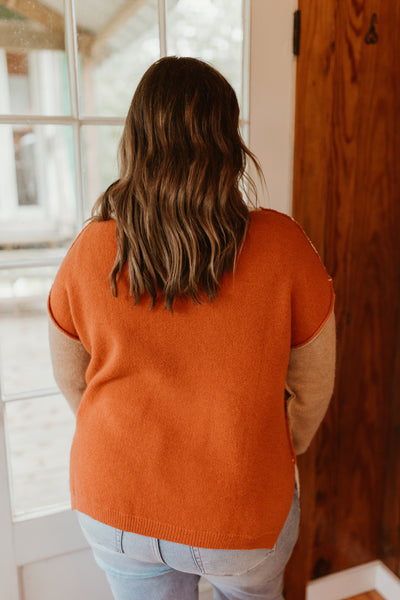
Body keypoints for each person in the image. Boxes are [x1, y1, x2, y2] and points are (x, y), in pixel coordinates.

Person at [48, 56, 336, 600]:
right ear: (228, 144)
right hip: (244, 507)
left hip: (116, 503)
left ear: (134, 142)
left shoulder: (90, 249)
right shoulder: (284, 246)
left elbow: (72, 378)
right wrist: (270, 447)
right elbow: (313, 388)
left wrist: (121, 438)